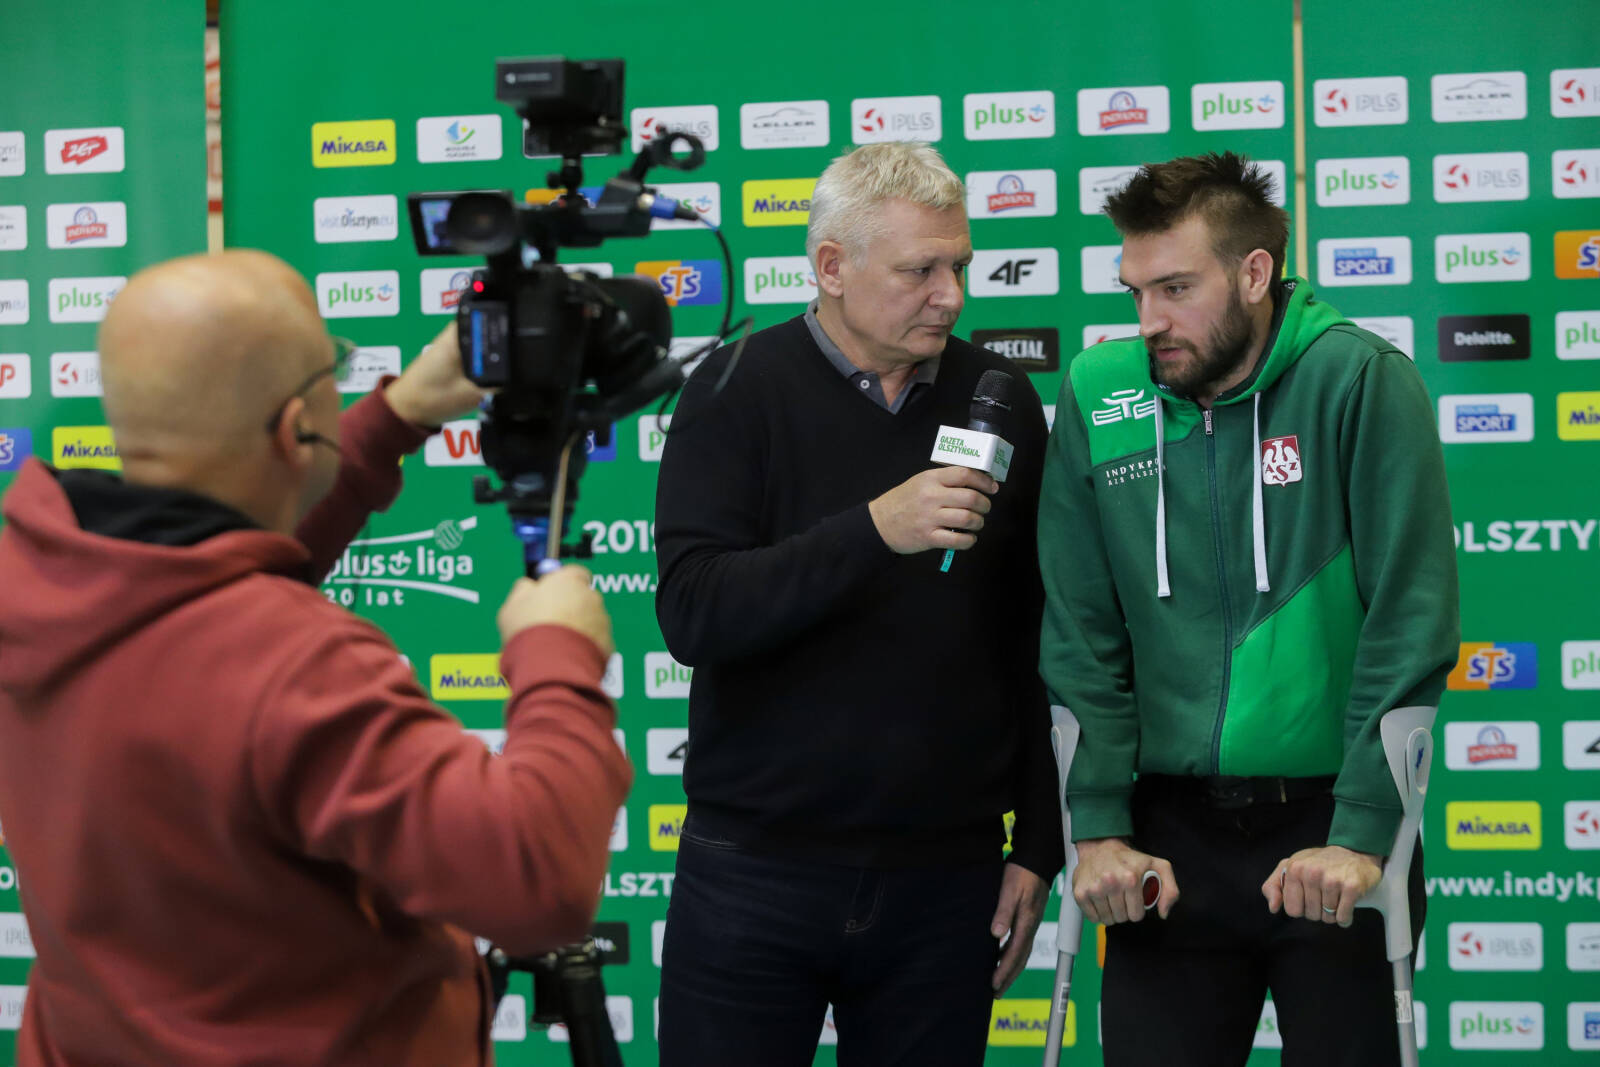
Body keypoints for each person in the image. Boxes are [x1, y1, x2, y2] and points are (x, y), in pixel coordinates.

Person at [0, 250, 632, 1066]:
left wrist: (396, 414)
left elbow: (208, 576)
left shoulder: (40, 579)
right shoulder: (296, 660)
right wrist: (557, 654)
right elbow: (537, 879)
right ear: (295, 425)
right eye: (335, 368)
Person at [1038, 152, 1458, 1065]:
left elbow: (1409, 619)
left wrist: (1361, 835)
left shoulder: (1359, 378)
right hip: (1165, 849)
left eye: (1177, 288)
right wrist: (1099, 829)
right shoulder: (1098, 392)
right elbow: (1079, 629)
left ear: (1255, 272)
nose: (1150, 319)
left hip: (1329, 831)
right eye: (1136, 291)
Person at [653, 142, 1063, 1066]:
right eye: (921, 270)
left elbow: (1034, 632)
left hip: (947, 880)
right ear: (832, 266)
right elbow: (694, 610)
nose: (951, 295)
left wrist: (1038, 844)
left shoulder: (998, 395)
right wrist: (877, 529)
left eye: (959, 266)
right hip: (754, 872)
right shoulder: (733, 388)